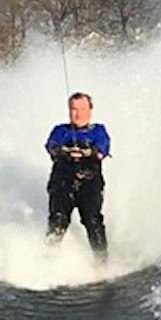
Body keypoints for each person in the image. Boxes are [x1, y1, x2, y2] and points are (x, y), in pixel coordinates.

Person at [45, 91, 110, 255]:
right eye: (73, 109)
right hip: (63, 182)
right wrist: (61, 151)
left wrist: (92, 152)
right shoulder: (60, 131)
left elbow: (103, 146)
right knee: (58, 219)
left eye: (82, 109)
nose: (78, 114)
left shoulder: (98, 131)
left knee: (92, 219)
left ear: (90, 110)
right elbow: (51, 145)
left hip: (89, 181)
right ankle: (48, 259)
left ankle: (101, 262)